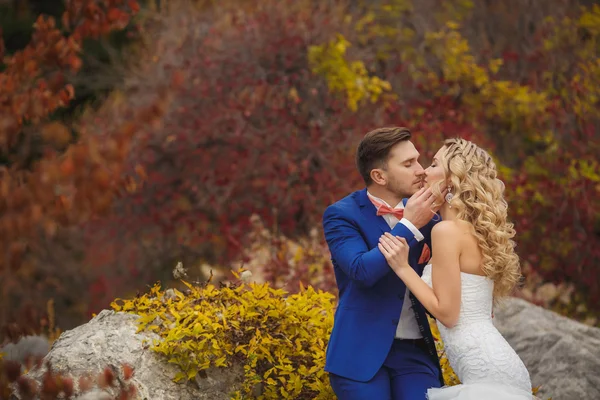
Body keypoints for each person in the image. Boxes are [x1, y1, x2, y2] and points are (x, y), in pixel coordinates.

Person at [378, 138, 536, 399]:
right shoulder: (473, 231)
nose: (423, 171)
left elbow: (448, 315)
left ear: (451, 181)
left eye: (433, 164)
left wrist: (403, 267)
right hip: (497, 364)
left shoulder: (446, 231)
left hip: (486, 372)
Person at [322, 127, 445, 400]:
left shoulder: (432, 218)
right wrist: (410, 224)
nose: (421, 170)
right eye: (408, 164)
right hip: (358, 354)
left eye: (418, 160)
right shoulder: (341, 215)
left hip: (415, 354)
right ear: (379, 176)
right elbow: (361, 270)